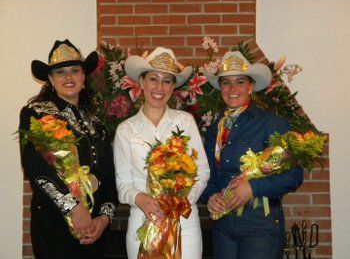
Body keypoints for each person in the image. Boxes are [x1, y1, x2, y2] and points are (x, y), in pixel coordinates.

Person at [19, 39, 118, 259]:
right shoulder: (35, 114)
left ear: (84, 77)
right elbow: (35, 168)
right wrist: (74, 208)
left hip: (94, 229)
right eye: (60, 72)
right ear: (51, 80)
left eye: (75, 70)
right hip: (54, 226)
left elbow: (110, 179)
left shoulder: (98, 125)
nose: (68, 77)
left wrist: (103, 220)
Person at [200, 51, 304, 259]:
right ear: (220, 88)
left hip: (260, 224)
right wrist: (209, 196)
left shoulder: (271, 123)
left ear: (251, 86)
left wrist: (252, 188)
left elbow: (294, 176)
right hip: (223, 225)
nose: (232, 89)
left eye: (240, 81)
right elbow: (207, 176)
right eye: (226, 82)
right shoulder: (215, 128)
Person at [113, 47, 210, 259]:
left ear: (173, 86)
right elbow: (123, 184)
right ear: (141, 82)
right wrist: (140, 198)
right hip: (143, 219)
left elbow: (201, 171)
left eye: (167, 80)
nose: (159, 87)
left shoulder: (185, 122)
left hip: (185, 224)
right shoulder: (125, 130)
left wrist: (180, 201)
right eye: (153, 79)